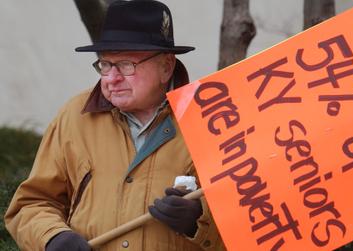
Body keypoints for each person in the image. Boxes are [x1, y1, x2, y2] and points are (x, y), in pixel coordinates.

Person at [4, 1, 225, 250]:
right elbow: (31, 204)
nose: (111, 78)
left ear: (166, 66)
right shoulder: (74, 117)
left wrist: (198, 220)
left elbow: (253, 216)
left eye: (126, 65)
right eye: (106, 64)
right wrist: (53, 237)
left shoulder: (212, 120)